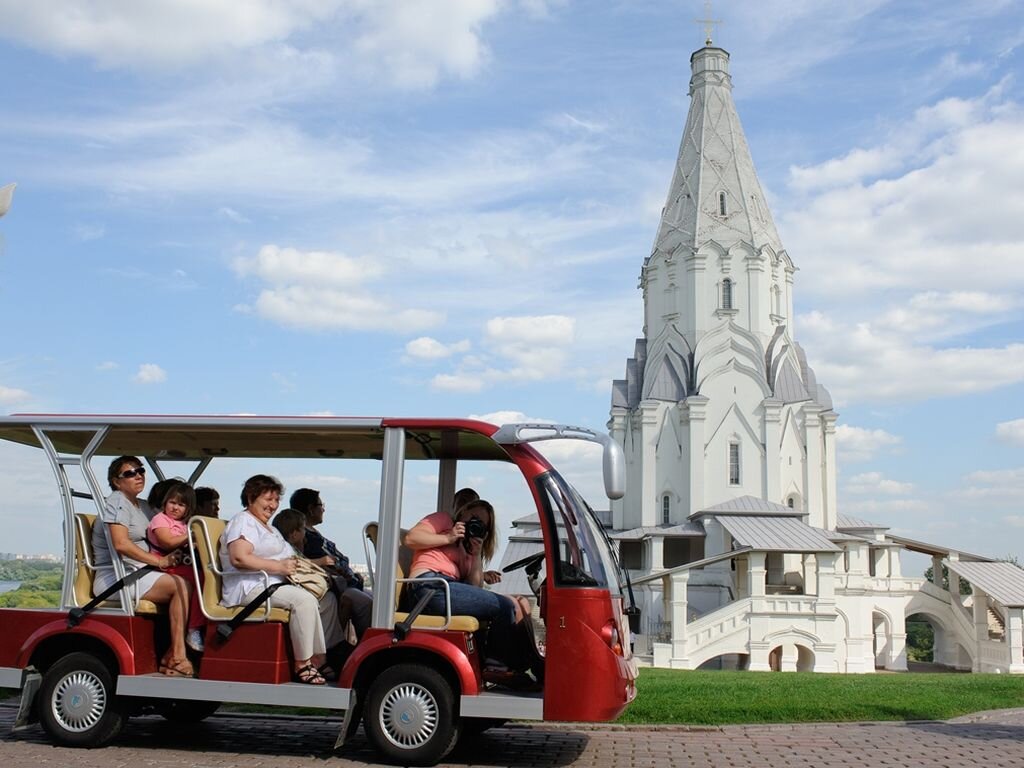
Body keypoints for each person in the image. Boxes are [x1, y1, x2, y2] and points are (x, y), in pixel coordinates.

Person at [404, 498, 543, 682]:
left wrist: (476, 555)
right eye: (474, 517)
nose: (475, 524)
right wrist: (449, 537)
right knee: (504, 606)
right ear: (463, 512)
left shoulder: (468, 548)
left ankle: (524, 663)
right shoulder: (444, 521)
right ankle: (497, 667)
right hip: (428, 586)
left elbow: (474, 588)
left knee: (509, 604)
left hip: (446, 588)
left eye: (481, 524)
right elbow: (411, 539)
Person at [219, 475, 331, 685]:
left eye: (276, 500)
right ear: (251, 498)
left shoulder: (269, 528)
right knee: (303, 600)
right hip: (250, 586)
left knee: (326, 600)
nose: (273, 505)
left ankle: (318, 657)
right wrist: (278, 567)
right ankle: (303, 663)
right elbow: (239, 558)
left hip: (270, 584)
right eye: (268, 499)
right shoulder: (243, 522)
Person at [91, 456, 195, 677]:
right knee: (181, 585)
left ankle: (170, 654)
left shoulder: (143, 506)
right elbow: (121, 544)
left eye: (141, 470)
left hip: (141, 572)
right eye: (129, 473)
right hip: (118, 577)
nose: (138, 475)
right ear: (116, 482)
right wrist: (159, 561)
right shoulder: (117, 501)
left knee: (195, 579)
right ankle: (177, 655)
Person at [289, 488, 372, 641]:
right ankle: (364, 646)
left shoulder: (313, 533)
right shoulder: (305, 538)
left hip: (346, 583)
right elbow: (308, 562)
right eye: (321, 505)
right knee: (366, 604)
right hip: (336, 586)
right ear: (311, 509)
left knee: (376, 600)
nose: (324, 509)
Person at [146, 481, 207, 653]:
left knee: (208, 578)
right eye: (172, 503)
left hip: (181, 564)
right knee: (200, 579)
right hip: (163, 565)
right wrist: (190, 536)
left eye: (181, 505)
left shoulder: (185, 525)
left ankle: (205, 625)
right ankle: (194, 628)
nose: (175, 508)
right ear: (165, 502)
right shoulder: (160, 520)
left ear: (188, 509)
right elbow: (167, 542)